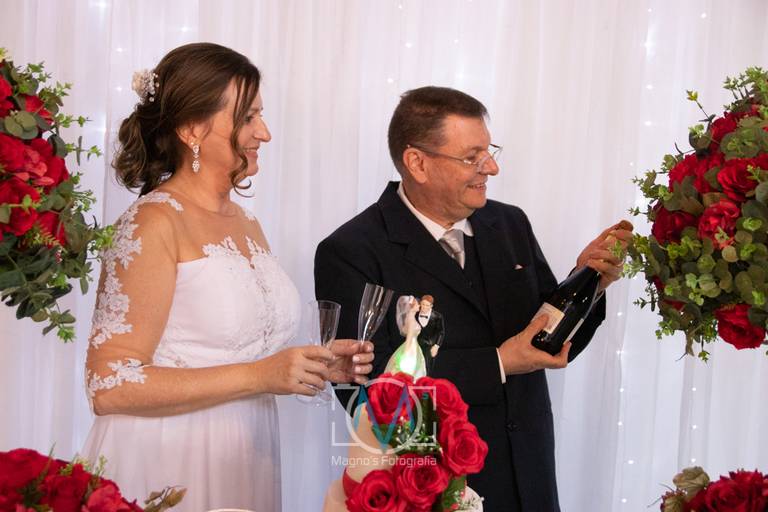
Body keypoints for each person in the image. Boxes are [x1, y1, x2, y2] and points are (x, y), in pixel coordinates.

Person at [80, 42, 374, 512]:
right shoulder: (153, 222)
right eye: (248, 117)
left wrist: (310, 365)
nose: (265, 133)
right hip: (169, 457)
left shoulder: (247, 222)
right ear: (192, 129)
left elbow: (231, 349)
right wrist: (259, 375)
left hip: (246, 451)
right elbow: (108, 385)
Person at [314, 86, 632, 511]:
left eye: (489, 152)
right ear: (418, 163)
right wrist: (499, 362)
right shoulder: (351, 251)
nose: (492, 168)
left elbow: (546, 343)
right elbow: (367, 393)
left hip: (530, 478)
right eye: (472, 157)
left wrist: (588, 281)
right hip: (435, 488)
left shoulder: (510, 224)